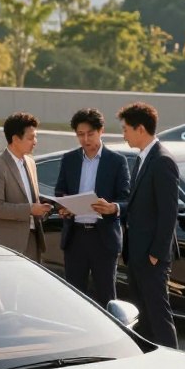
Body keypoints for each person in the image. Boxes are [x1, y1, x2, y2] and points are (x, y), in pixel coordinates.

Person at [94, 101, 179, 348]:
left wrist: (156, 254)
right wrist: (114, 207)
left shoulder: (162, 160)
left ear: (140, 129)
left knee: (159, 316)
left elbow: (168, 212)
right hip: (137, 254)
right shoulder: (143, 158)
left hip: (151, 256)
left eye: (125, 129)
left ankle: (173, 366)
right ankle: (152, 363)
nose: (123, 134)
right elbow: (142, 204)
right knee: (145, 317)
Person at [53, 108, 130, 307]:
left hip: (103, 239)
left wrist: (113, 208)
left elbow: (127, 200)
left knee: (107, 297)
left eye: (90, 134)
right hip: (75, 238)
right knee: (74, 297)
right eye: (80, 135)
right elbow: (60, 191)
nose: (85, 139)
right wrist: (63, 206)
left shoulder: (117, 162)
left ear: (101, 131)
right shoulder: (69, 159)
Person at [0, 111, 51, 261]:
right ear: (15, 139)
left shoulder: (31, 162)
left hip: (33, 240)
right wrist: (30, 209)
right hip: (9, 245)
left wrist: (49, 206)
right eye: (30, 137)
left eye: (35, 137)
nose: (35, 141)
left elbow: (31, 197)